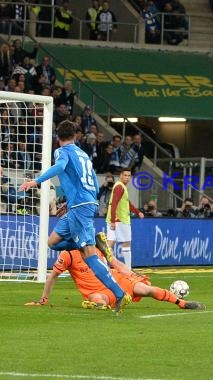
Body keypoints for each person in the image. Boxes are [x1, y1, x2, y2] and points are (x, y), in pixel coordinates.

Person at [19, 120, 132, 314]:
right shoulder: (83, 154)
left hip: (80, 206)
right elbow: (95, 185)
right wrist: (79, 202)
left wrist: (36, 181)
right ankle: (92, 244)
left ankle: (119, 294)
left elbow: (60, 166)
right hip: (82, 204)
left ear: (58, 136)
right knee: (53, 242)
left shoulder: (61, 151)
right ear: (75, 136)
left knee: (88, 257)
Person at [25, 247, 204, 310]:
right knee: (98, 301)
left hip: (117, 280)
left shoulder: (96, 246)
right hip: (97, 291)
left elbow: (116, 263)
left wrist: (134, 275)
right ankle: (108, 302)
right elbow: (52, 276)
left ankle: (182, 304)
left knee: (146, 289)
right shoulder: (68, 254)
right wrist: (43, 300)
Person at [106, 169, 144, 270]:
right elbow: (114, 204)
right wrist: (114, 221)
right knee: (127, 243)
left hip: (112, 218)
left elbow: (126, 203)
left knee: (110, 242)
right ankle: (128, 269)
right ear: (121, 176)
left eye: (129, 176)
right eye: (125, 175)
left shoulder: (119, 186)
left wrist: (137, 212)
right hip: (120, 220)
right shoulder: (120, 187)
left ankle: (104, 267)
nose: (127, 177)